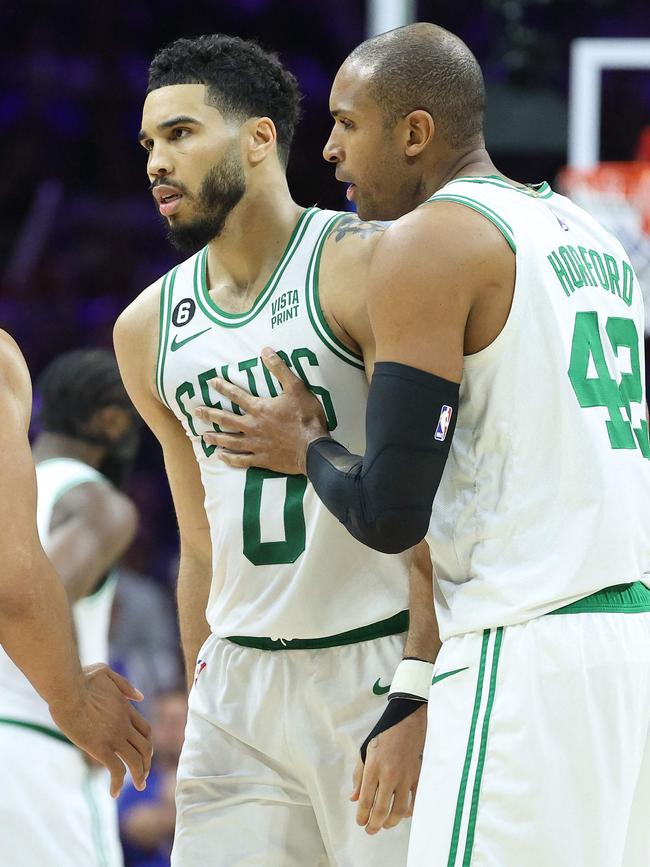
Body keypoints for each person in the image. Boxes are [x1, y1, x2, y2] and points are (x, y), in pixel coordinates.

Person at [194, 23, 650, 867]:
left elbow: (389, 510)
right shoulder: (593, 238)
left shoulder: (428, 241)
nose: (327, 150)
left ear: (414, 133)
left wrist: (310, 447)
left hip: (526, 648)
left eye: (346, 123)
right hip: (629, 651)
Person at [114, 33, 421, 867]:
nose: (155, 163)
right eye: (149, 144)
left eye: (180, 134)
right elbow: (198, 536)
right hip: (237, 691)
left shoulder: (361, 264)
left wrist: (423, 683)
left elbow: (438, 490)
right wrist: (198, 687)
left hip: (371, 663)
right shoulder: (145, 331)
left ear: (257, 140)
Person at [0, 347, 142, 866]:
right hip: (37, 750)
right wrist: (79, 693)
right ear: (110, 420)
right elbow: (40, 596)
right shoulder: (97, 502)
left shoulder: (11, 487)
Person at [119, 689, 188, 867]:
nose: (178, 732)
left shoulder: (213, 778)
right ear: (153, 729)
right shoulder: (140, 781)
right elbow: (132, 826)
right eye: (171, 723)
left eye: (185, 723)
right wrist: (173, 809)